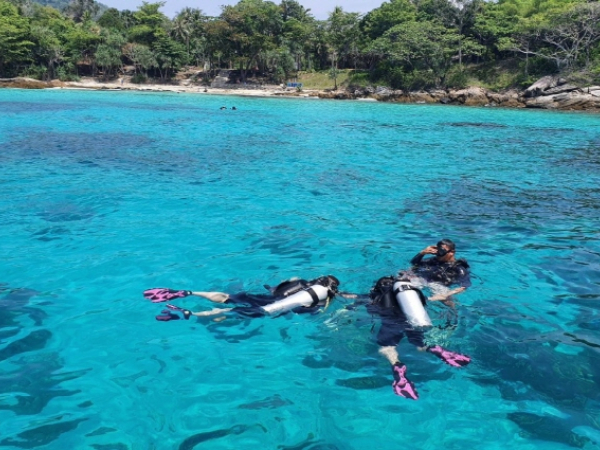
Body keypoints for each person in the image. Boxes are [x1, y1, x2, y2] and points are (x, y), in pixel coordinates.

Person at [367, 274, 471, 400]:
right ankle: (436, 349)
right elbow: (433, 299)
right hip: (412, 321)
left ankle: (397, 366)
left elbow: (369, 309)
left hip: (391, 324)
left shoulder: (376, 297)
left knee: (387, 348)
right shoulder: (408, 294)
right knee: (420, 345)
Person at [153, 275, 341, 321]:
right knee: (229, 312)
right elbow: (307, 310)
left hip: (262, 297)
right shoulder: (321, 299)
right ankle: (191, 314)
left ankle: (190, 292)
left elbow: (276, 287)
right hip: (268, 308)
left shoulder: (299, 281)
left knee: (228, 297)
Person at [402, 238, 471, 306]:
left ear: (452, 252)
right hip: (423, 280)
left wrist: (445, 295)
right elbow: (414, 264)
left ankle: (452, 314)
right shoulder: (432, 261)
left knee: (446, 300)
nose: (438, 254)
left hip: (439, 286)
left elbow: (464, 286)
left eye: (442, 251)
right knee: (405, 273)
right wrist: (422, 253)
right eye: (438, 250)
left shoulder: (458, 268)